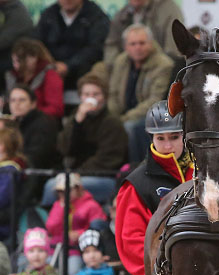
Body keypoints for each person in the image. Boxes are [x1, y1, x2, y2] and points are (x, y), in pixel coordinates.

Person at [115, 100, 193, 275]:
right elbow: (131, 244)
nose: (167, 146)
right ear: (151, 138)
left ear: (185, 135)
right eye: (160, 138)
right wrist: (169, 274)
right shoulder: (137, 183)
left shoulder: (204, 172)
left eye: (174, 137)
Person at [99, 24, 173, 164]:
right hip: (123, 116)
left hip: (152, 117)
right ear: (126, 46)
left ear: (151, 44)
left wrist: (124, 119)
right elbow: (113, 95)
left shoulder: (163, 64)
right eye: (133, 44)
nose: (137, 47)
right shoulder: (121, 61)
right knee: (104, 124)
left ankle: (136, 169)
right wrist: (113, 119)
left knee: (130, 127)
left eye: (142, 43)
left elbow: (154, 101)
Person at [52, 72, 127, 206]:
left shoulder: (112, 122)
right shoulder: (76, 117)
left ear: (104, 97)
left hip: (102, 176)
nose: (90, 98)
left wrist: (78, 174)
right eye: (86, 95)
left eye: (96, 94)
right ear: (80, 97)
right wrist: (77, 123)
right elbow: (64, 148)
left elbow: (107, 159)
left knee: (56, 188)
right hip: (76, 174)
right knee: (51, 186)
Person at [34, 0, 110, 91]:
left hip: (84, 74)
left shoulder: (96, 16)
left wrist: (68, 66)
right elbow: (37, 44)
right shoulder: (48, 14)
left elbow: (95, 48)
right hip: (50, 72)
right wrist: (50, 64)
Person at [45, 172, 106, 275]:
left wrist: (80, 234)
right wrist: (61, 207)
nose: (63, 194)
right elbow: (51, 227)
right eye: (60, 191)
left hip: (78, 249)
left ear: (78, 188)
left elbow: (98, 229)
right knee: (48, 272)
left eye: (67, 190)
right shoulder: (58, 204)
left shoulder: (91, 205)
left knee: (73, 271)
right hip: (57, 248)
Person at [7, 84, 59, 204]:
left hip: (38, 176)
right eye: (13, 100)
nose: (16, 104)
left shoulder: (43, 123)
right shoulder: (12, 124)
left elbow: (37, 156)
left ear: (33, 103)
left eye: (22, 100)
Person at [102, 0, 184, 65]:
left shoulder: (168, 9)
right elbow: (111, 46)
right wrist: (117, 67)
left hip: (159, 66)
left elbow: (173, 50)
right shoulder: (121, 15)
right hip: (128, 67)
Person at [0, 38, 63, 120]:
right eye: (14, 61)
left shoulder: (50, 75)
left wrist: (28, 113)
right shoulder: (13, 76)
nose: (16, 66)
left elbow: (56, 109)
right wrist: (3, 103)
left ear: (33, 58)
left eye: (19, 61)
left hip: (41, 121)